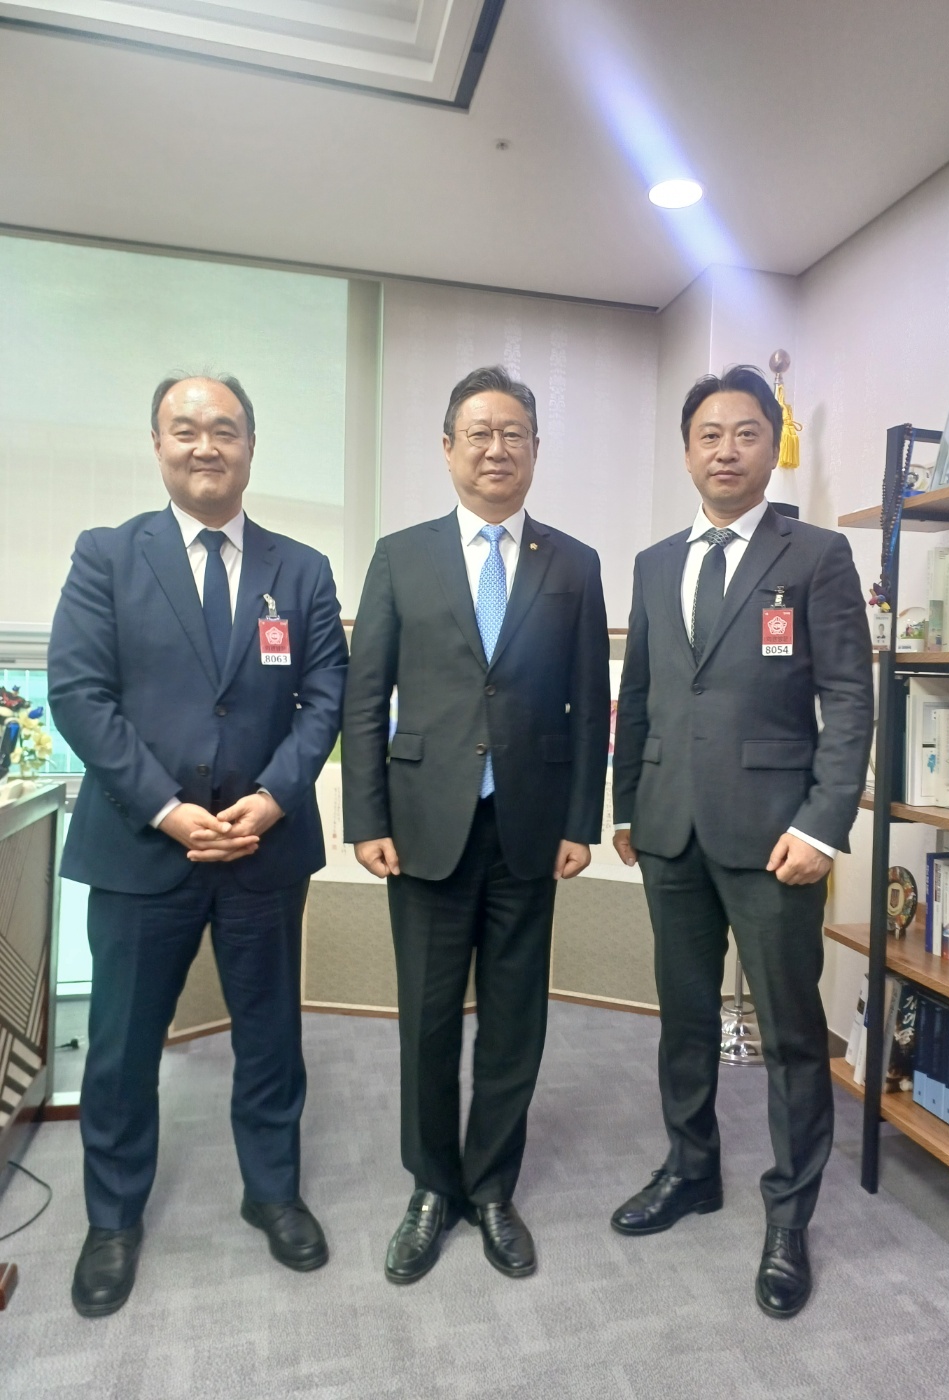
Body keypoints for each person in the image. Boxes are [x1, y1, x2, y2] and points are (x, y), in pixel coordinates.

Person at [48, 375, 348, 1317]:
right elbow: (79, 694)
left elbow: (325, 697)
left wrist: (273, 799)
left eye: (225, 429)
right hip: (143, 849)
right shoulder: (107, 555)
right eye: (186, 429)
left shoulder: (302, 570)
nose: (205, 445)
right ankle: (113, 1219)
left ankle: (273, 1192)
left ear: (251, 446)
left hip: (264, 848)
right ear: (157, 444)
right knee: (122, 1047)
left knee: (271, 1036)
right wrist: (168, 809)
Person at [610, 364, 872, 1320]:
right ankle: (691, 1170)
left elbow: (849, 701)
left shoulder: (817, 556)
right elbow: (641, 694)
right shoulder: (653, 563)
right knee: (683, 1019)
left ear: (771, 446)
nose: (726, 450)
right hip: (669, 831)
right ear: (687, 451)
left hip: (776, 839)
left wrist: (822, 825)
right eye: (709, 435)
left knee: (792, 1035)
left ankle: (788, 1216)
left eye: (746, 433)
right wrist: (626, 808)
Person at [342, 365, 609, 1284]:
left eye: (514, 434)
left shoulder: (574, 563)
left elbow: (590, 701)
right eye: (480, 433)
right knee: (425, 1021)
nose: (497, 449)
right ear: (448, 447)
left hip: (529, 827)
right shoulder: (400, 556)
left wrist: (582, 820)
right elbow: (365, 697)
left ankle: (492, 1186)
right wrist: (365, 816)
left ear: (535, 449)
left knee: (513, 1020)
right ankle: (431, 1186)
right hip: (422, 826)